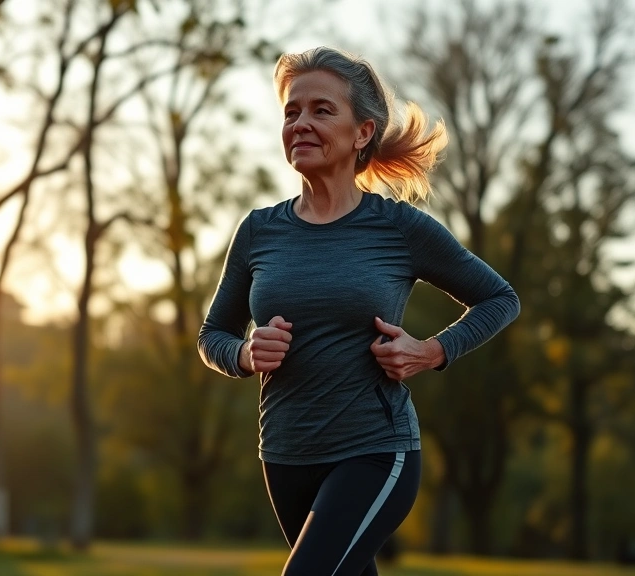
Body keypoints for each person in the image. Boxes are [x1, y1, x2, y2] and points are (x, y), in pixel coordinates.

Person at [197, 47, 520, 575]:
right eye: (291, 112)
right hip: (284, 452)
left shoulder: (399, 228)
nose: (300, 123)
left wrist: (432, 351)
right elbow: (214, 334)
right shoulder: (258, 231)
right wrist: (244, 353)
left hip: (375, 449)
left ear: (362, 132)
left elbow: (501, 298)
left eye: (322, 110)